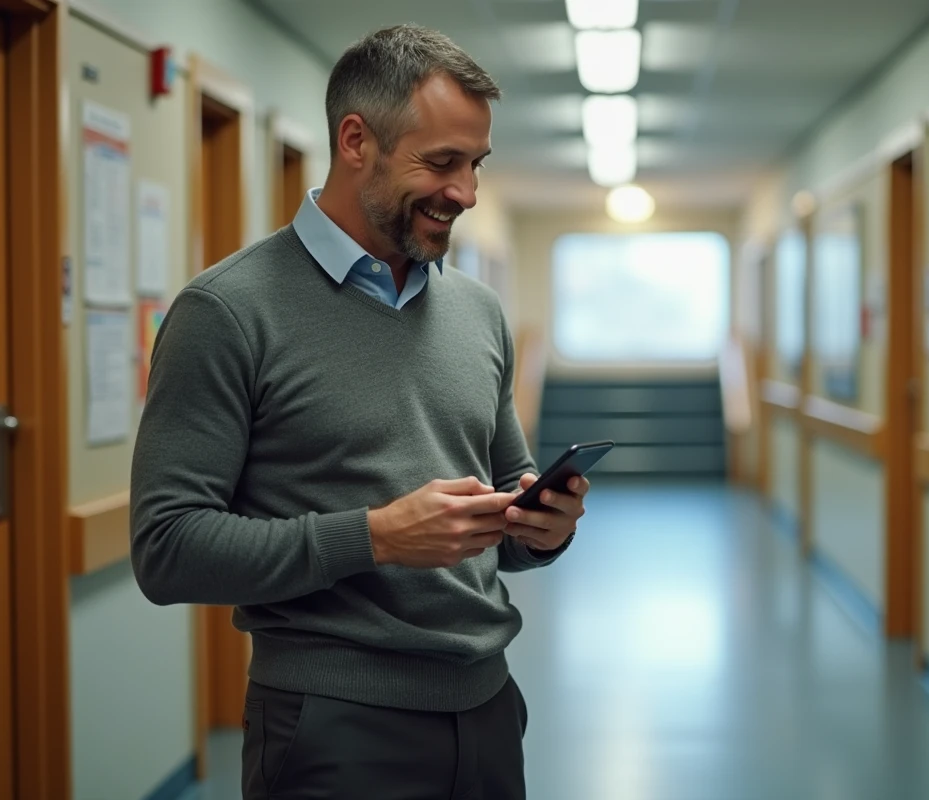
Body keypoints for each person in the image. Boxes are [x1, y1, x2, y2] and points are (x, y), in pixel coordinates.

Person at [129, 23, 587, 799]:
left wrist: (541, 529)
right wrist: (374, 538)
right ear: (355, 141)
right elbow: (167, 548)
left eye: (475, 165)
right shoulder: (227, 311)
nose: (466, 194)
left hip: (487, 708)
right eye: (441, 163)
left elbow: (507, 494)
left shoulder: (478, 312)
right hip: (332, 724)